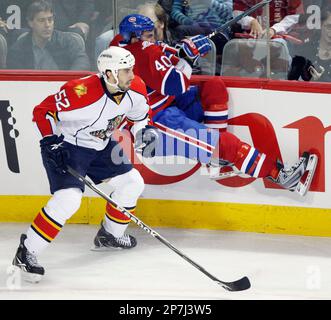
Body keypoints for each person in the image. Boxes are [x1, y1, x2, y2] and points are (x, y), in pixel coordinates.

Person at [111, 14, 317, 195]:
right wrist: (189, 58)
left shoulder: (122, 44)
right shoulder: (141, 53)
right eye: (148, 35)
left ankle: (215, 161)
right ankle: (280, 175)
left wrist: (181, 49)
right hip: (154, 126)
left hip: (165, 105)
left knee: (214, 87)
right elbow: (176, 84)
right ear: (135, 38)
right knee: (226, 145)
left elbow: (161, 56)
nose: (153, 38)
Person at [11, 45, 159, 282]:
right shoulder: (80, 92)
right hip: (68, 146)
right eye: (126, 71)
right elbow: (43, 111)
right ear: (109, 73)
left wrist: (145, 133)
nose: (132, 75)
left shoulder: (136, 88)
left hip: (101, 145)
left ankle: (110, 235)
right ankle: (27, 252)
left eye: (132, 69)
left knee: (132, 183)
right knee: (68, 199)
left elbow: (140, 118)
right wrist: (50, 142)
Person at [7, 0, 90, 70]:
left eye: (50, 20)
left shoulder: (67, 41)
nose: (47, 25)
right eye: (41, 20)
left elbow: (83, 61)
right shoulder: (19, 48)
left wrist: (69, 80)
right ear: (30, 23)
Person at [287, 4, 331, 82]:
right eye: (329, 27)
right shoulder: (304, 50)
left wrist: (321, 79)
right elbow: (292, 80)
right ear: (321, 25)